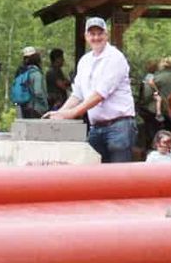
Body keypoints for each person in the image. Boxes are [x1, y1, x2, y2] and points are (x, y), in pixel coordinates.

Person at [45, 17, 136, 163]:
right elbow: (78, 94)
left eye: (99, 33)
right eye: (92, 34)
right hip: (95, 127)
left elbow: (100, 94)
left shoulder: (115, 57)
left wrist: (72, 113)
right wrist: (60, 113)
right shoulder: (85, 61)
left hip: (119, 126)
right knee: (95, 177)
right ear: (86, 37)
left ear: (106, 35)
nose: (96, 37)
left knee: (119, 178)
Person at [12, 47, 49, 118]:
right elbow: (38, 92)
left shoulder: (21, 71)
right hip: (36, 107)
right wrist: (45, 103)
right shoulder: (36, 73)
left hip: (23, 105)